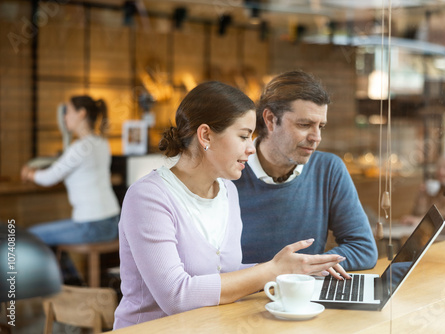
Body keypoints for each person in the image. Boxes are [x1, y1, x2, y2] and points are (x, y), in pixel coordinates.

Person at [113, 81, 349, 329]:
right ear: (205, 135)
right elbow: (176, 296)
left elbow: (229, 273)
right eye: (244, 136)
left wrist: (293, 269)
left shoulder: (227, 191)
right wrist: (271, 270)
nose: (250, 148)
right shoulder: (148, 197)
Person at [233, 70, 378, 270]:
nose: (316, 137)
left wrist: (304, 267)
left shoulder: (328, 169)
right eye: (304, 124)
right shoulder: (229, 172)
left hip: (304, 296)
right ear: (270, 120)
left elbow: (363, 249)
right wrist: (280, 271)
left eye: (321, 126)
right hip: (243, 297)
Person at [20, 96, 120, 281]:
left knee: (31, 235)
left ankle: (66, 287)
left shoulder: (79, 148)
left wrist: (29, 174)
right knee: (53, 240)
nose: (64, 117)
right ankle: (73, 283)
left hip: (92, 226)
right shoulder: (101, 143)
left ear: (81, 114)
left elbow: (49, 178)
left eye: (68, 111)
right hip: (113, 222)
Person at [400, 153, 445, 235]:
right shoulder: (438, 191)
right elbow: (419, 214)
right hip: (434, 236)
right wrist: (422, 197)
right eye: (438, 168)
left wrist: (423, 220)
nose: (441, 172)